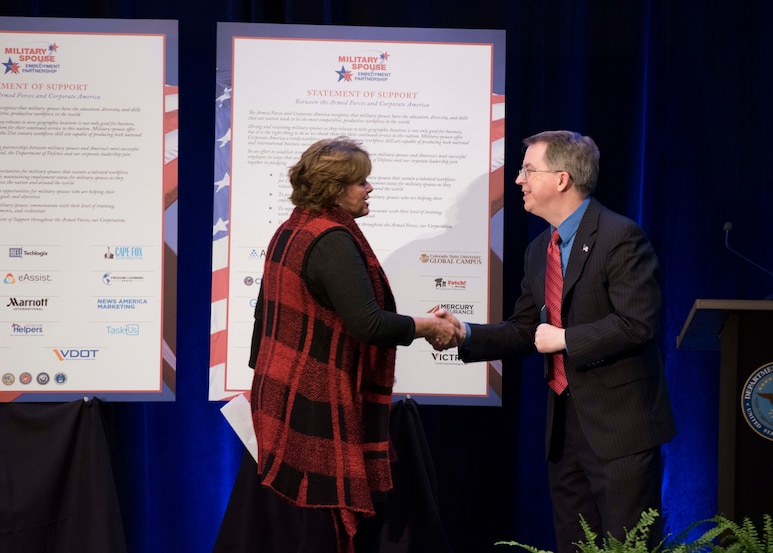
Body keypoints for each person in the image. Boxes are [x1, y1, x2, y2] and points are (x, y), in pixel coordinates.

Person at [435, 130, 676, 551]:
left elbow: (639, 323)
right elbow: (527, 331)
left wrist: (565, 338)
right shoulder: (538, 250)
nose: (518, 180)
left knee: (628, 545)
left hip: (620, 430)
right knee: (573, 544)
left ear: (562, 179)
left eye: (528, 170)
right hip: (563, 434)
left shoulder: (620, 237)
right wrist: (465, 333)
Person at [248, 137, 458, 553]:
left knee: (304, 523)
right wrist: (428, 326)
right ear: (334, 187)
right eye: (361, 182)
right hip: (312, 398)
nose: (369, 188)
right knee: (323, 523)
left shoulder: (293, 227)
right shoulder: (331, 240)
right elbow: (369, 324)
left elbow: (263, 317)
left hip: (284, 391)